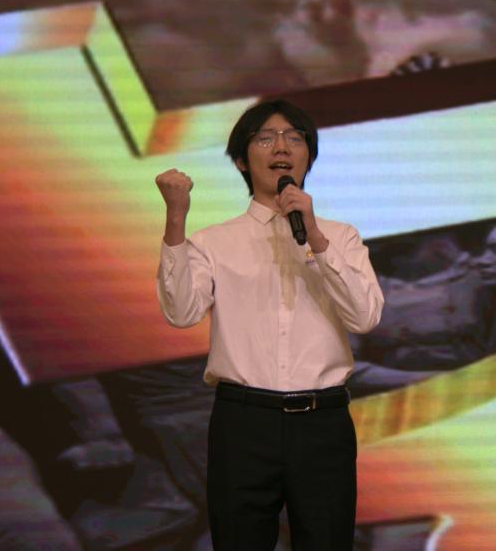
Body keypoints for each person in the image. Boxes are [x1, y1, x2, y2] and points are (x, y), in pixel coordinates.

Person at [155, 99, 383, 550]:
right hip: (243, 422)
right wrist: (175, 218)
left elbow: (365, 316)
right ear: (242, 160)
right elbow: (181, 312)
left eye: (294, 138)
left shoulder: (340, 237)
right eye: (265, 138)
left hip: (322, 423)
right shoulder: (213, 242)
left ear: (308, 156)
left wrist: (315, 237)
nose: (281, 147)